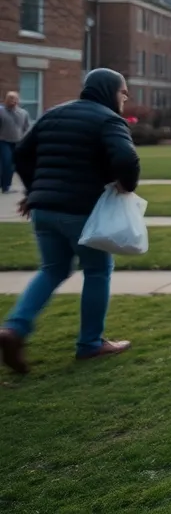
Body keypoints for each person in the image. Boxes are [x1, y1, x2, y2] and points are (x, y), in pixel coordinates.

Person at [0, 69, 140, 374]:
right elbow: (127, 159)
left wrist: (33, 190)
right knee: (98, 269)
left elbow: (21, 154)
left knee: (52, 269)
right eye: (123, 92)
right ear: (109, 91)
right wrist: (126, 185)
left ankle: (14, 329)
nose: (125, 97)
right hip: (82, 212)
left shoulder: (52, 115)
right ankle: (90, 343)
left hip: (44, 209)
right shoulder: (108, 119)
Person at [0, 90, 32, 194]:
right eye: (10, 99)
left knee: (13, 164)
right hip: (3, 141)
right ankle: (6, 186)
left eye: (15, 99)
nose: (12, 101)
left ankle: (4, 183)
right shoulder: (1, 111)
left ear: (18, 101)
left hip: (18, 142)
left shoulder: (23, 113)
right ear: (5, 100)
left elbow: (27, 129)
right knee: (6, 162)